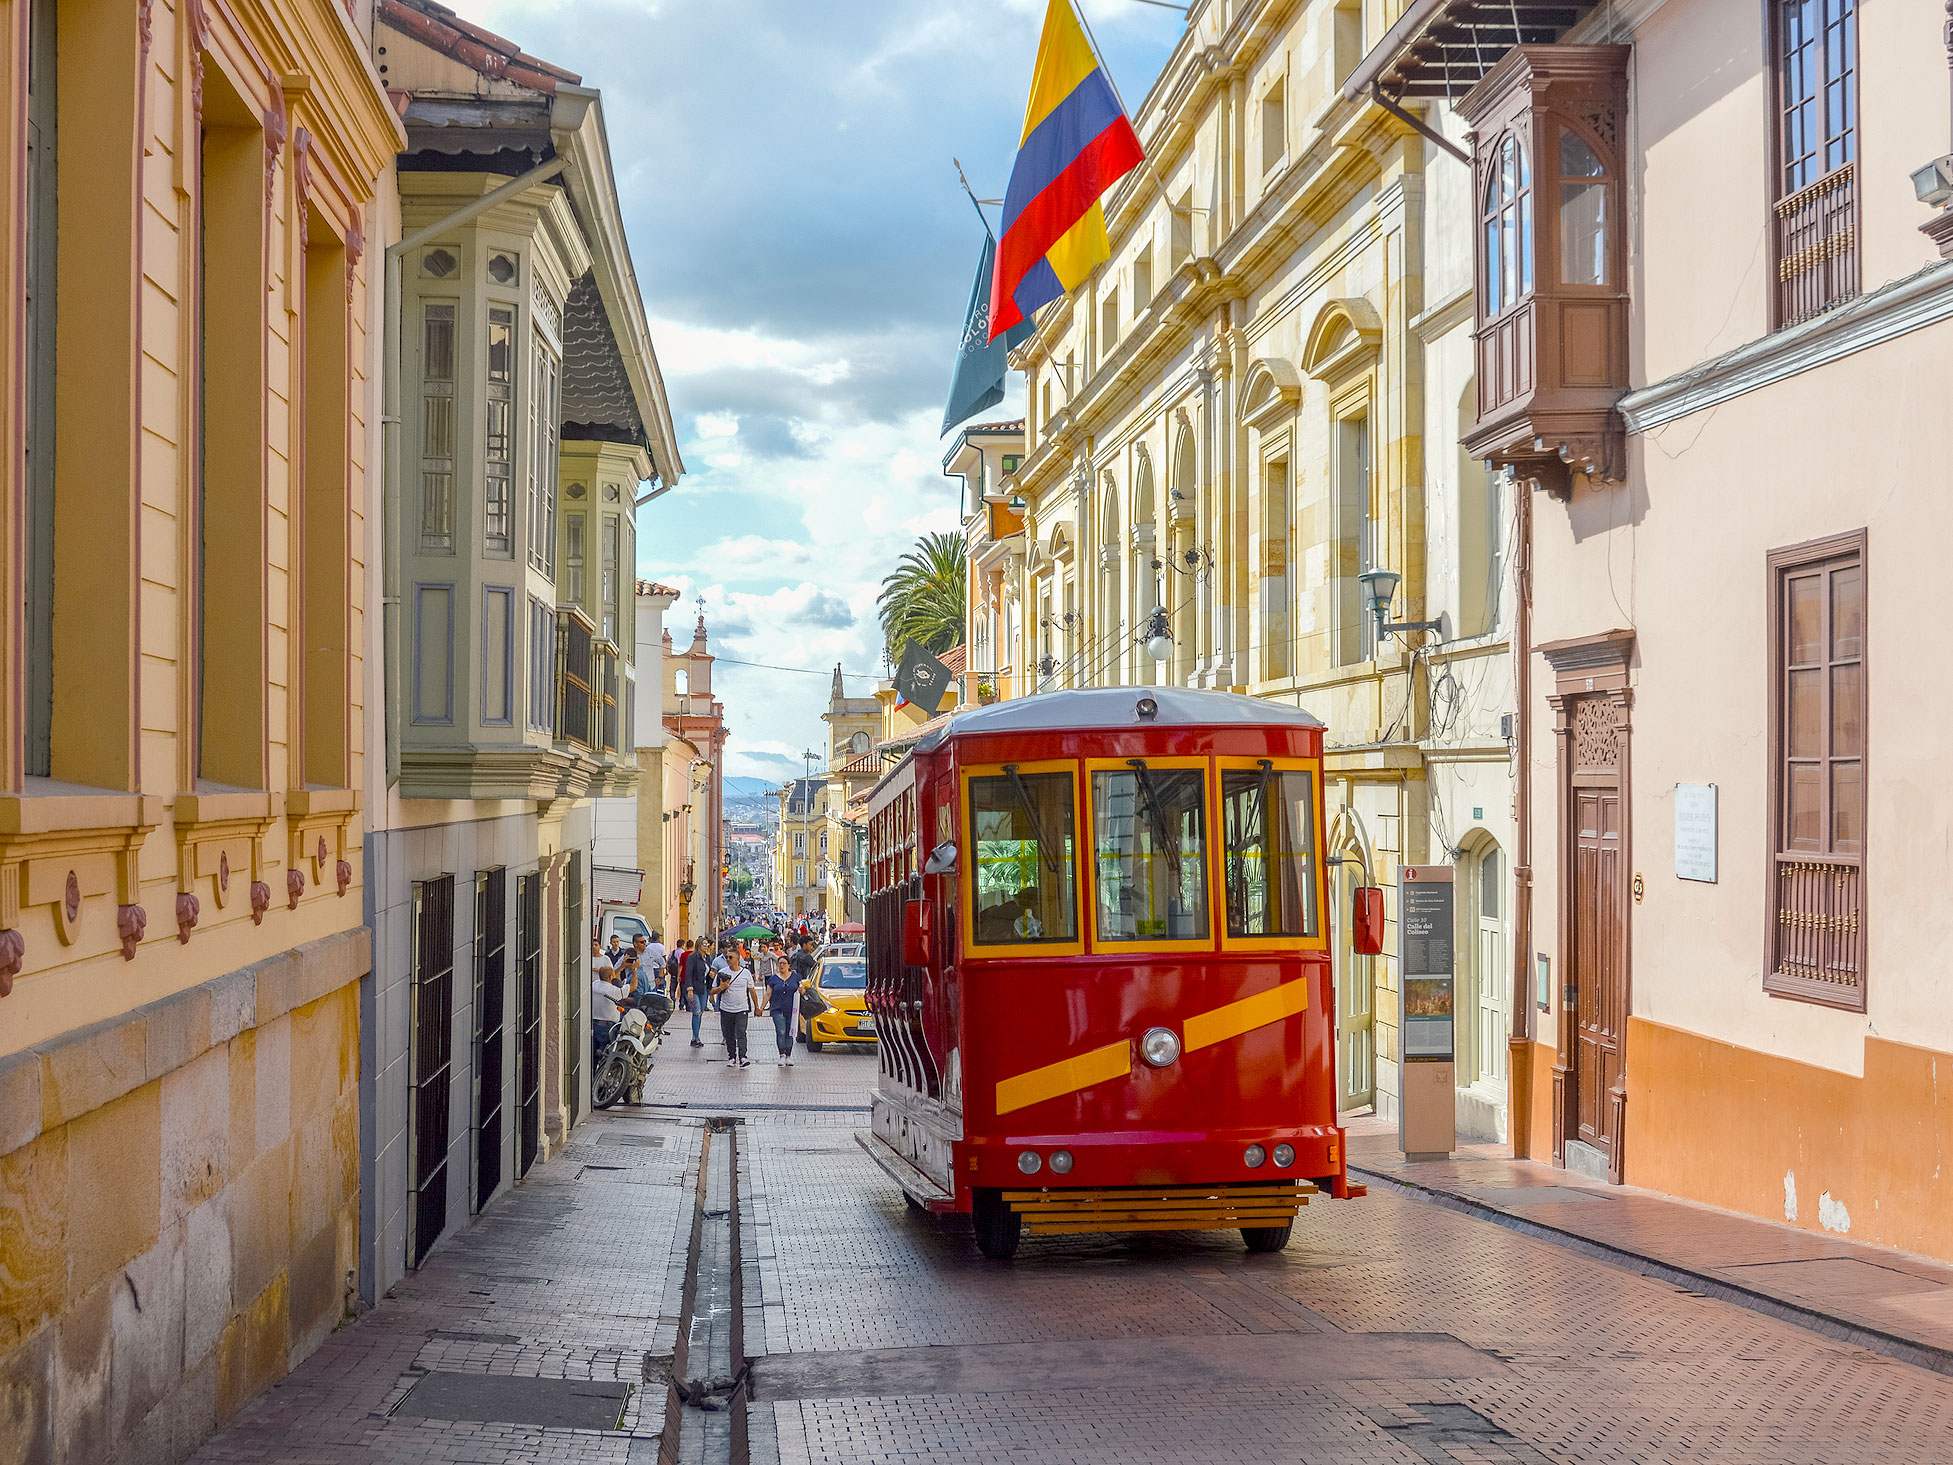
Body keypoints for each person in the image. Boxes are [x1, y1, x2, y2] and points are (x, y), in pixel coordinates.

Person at [710, 939, 757, 1068]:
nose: (728, 959)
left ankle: (743, 1056)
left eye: (731, 957)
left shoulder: (745, 973)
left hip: (742, 1008)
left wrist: (757, 1007)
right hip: (726, 1008)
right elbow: (712, 990)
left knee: (741, 1032)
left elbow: (752, 991)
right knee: (729, 1034)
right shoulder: (722, 973)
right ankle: (732, 1056)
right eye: (727, 957)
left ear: (737, 959)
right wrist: (721, 987)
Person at [765, 942, 806, 1066]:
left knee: (790, 1032)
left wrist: (802, 990)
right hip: (777, 1009)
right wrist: (760, 1008)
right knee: (781, 1031)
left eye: (784, 963)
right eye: (780, 963)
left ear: (789, 965)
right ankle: (781, 1055)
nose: (781, 965)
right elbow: (768, 994)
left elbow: (803, 989)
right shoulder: (773, 979)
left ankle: (789, 1055)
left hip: (792, 1009)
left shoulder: (795, 977)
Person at [591, 941, 627, 1053]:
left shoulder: (593, 985)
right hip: (609, 1025)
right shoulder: (614, 991)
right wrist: (634, 970)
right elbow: (631, 988)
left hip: (595, 1022)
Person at [682, 940, 711, 1047]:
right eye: (704, 944)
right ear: (699, 945)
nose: (706, 946)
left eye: (707, 944)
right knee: (696, 1011)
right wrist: (689, 989)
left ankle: (696, 1035)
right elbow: (688, 973)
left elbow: (707, 972)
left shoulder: (707, 958)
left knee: (700, 1013)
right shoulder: (692, 957)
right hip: (693, 989)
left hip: (703, 989)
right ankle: (695, 1037)